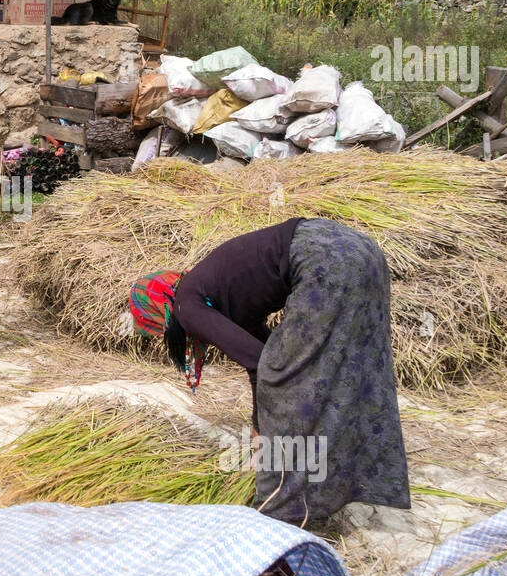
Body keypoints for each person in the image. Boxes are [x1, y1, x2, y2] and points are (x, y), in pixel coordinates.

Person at [130, 218, 411, 524]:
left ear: (157, 312)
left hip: (323, 261)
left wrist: (260, 436)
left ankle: (279, 510)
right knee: (351, 372)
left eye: (156, 328)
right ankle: (341, 480)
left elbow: (261, 366)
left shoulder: (187, 306)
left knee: (297, 381)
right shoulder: (211, 289)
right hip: (361, 250)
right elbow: (264, 359)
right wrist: (259, 424)